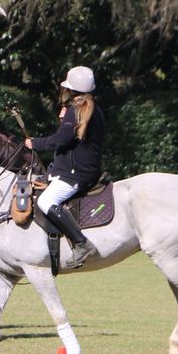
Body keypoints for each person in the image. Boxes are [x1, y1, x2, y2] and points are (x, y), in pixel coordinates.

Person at [24, 65, 105, 269]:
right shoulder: (95, 111)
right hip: (86, 170)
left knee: (46, 201)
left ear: (70, 90)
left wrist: (36, 143)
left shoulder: (74, 111)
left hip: (76, 173)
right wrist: (64, 119)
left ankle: (82, 244)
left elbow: (61, 140)